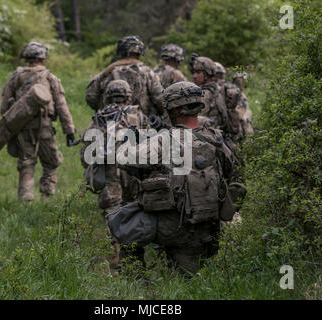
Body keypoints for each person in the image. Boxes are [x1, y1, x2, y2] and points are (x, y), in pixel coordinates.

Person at [115, 81, 235, 274]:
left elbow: (122, 158)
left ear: (175, 109)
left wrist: (125, 140)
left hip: (174, 228)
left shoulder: (165, 140)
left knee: (126, 222)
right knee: (192, 275)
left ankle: (134, 282)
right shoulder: (216, 139)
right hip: (210, 226)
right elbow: (230, 171)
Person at [81, 80, 148, 272]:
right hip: (134, 174)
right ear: (129, 95)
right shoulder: (138, 115)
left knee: (112, 216)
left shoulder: (99, 117)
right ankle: (134, 261)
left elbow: (86, 151)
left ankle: (115, 262)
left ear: (107, 96)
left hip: (110, 175)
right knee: (135, 212)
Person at [0, 42, 77, 201]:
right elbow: (61, 106)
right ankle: (46, 197)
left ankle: (25, 199)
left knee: (26, 163)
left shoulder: (15, 77)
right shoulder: (49, 77)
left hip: (21, 128)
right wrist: (69, 130)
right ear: (43, 57)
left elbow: (4, 107)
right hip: (44, 127)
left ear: (26, 57)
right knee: (52, 162)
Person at [85, 35, 164, 117]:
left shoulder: (108, 71)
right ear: (140, 52)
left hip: (111, 122)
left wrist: (102, 107)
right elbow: (160, 99)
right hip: (141, 123)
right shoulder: (147, 72)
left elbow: (91, 97)